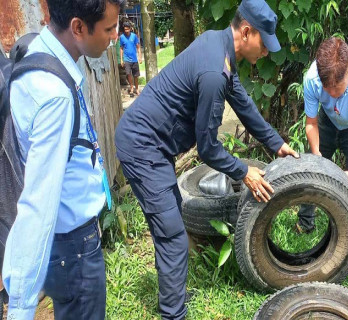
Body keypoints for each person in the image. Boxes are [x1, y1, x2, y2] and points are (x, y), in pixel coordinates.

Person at [114, 0, 298, 318]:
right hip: (143, 148)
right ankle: (174, 313)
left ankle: (172, 288)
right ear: (246, 31)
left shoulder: (218, 43)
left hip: (154, 146)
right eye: (264, 44)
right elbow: (208, 148)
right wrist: (245, 172)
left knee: (171, 216)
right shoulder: (215, 71)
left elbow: (241, 100)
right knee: (172, 233)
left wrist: (275, 142)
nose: (267, 52)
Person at [2, 0, 123, 319]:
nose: (115, 36)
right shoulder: (54, 96)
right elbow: (38, 205)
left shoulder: (40, 52)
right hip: (75, 249)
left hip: (67, 246)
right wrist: (21, 306)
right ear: (78, 27)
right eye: (109, 29)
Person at [296, 37, 348, 233]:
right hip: (326, 122)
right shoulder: (312, 79)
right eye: (328, 88)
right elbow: (311, 124)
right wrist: (317, 155)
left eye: (337, 87)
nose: (332, 93)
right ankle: (305, 223)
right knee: (312, 171)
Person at [119, 21, 141, 97]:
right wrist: (121, 59)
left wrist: (140, 57)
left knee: (136, 75)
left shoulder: (134, 36)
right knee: (128, 74)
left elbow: (138, 47)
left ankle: (137, 88)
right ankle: (131, 88)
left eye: (127, 29)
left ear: (130, 29)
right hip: (126, 59)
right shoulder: (122, 37)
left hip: (134, 59)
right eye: (125, 29)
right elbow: (121, 48)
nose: (126, 31)